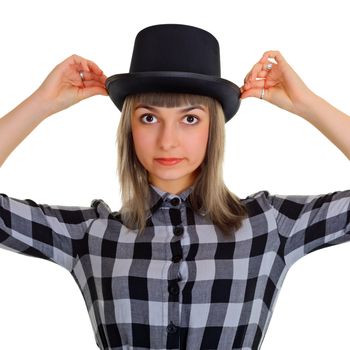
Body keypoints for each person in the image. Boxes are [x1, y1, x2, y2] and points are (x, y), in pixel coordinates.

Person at [0, 23, 349, 350]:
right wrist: (40, 104)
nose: (168, 141)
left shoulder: (268, 225)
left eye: (190, 119)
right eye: (149, 118)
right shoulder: (92, 234)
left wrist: (309, 104)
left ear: (213, 129)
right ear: (129, 129)